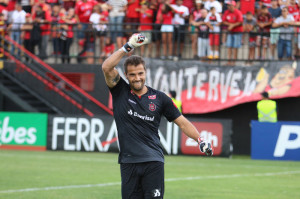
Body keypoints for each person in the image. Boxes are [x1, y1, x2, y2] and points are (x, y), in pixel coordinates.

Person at [101, 33, 213, 199]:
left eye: (140, 73)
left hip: (153, 161)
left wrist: (200, 140)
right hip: (128, 162)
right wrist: (127, 47)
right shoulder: (120, 91)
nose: (137, 78)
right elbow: (106, 67)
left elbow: (182, 122)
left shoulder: (160, 98)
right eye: (132, 75)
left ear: (145, 72)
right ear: (126, 75)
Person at [222, 0, 243, 66]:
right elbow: (224, 21)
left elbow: (240, 22)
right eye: (228, 5)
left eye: (230, 5)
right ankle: (229, 61)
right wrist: (230, 24)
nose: (229, 7)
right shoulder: (226, 12)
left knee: (235, 47)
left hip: (237, 31)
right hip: (230, 32)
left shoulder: (238, 12)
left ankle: (234, 61)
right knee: (229, 46)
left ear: (233, 5)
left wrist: (232, 25)